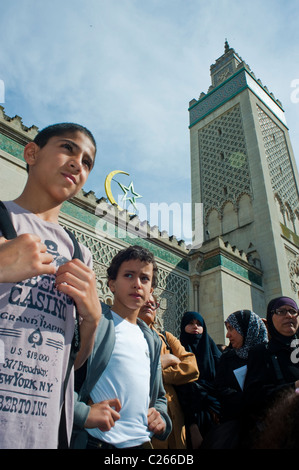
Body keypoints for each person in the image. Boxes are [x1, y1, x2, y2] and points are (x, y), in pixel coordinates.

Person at [0, 123, 102, 449]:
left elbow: (74, 361)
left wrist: (93, 320)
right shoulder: (4, 219)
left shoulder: (79, 254)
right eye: (68, 148)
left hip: (44, 434)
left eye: (87, 162)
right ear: (31, 153)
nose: (77, 163)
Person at [72, 245, 172, 449]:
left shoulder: (152, 339)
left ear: (151, 290)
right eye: (128, 275)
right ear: (112, 284)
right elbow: (64, 377)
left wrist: (161, 417)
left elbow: (159, 395)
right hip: (98, 442)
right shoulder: (96, 323)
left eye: (144, 279)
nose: (137, 284)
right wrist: (82, 413)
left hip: (141, 443)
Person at [138, 296, 199, 449]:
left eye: (154, 303)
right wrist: (166, 361)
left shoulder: (166, 338)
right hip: (144, 414)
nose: (150, 305)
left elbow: (191, 367)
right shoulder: (126, 335)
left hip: (173, 415)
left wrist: (159, 374)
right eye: (146, 301)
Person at [203, 310, 268, 449]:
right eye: (227, 329)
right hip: (235, 429)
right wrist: (243, 399)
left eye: (231, 329)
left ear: (246, 328)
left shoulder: (268, 355)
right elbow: (219, 388)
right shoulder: (228, 357)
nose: (227, 335)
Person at [243, 296, 299, 446]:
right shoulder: (262, 352)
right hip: (283, 434)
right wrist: (294, 387)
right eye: (281, 311)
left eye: (293, 311)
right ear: (270, 317)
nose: (289, 315)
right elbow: (253, 398)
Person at [177, 311, 221, 448]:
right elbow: (181, 389)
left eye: (199, 324)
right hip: (188, 416)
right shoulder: (177, 350)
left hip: (216, 414)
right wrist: (193, 426)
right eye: (191, 323)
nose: (195, 326)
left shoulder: (213, 352)